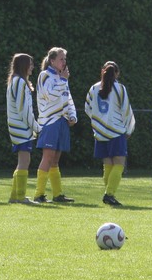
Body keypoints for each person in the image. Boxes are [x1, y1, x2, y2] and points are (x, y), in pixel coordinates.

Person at [84, 61, 135, 206]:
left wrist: (98, 121)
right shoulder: (120, 88)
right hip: (116, 131)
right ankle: (109, 194)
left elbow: (87, 108)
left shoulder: (94, 88)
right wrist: (129, 129)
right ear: (117, 73)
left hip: (100, 132)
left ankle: (109, 194)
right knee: (119, 164)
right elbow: (126, 110)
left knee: (107, 164)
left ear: (103, 71)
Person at [34, 46, 77, 203]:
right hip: (50, 122)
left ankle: (57, 194)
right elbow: (51, 96)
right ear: (52, 61)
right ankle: (39, 194)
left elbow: (68, 98)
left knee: (55, 160)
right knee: (48, 157)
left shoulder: (62, 77)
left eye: (65, 59)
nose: (64, 62)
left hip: (62, 122)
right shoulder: (45, 76)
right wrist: (63, 80)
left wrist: (72, 115)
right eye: (61, 59)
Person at [6, 52, 39, 204]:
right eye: (30, 64)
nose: (32, 67)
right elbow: (23, 109)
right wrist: (36, 127)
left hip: (19, 126)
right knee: (25, 160)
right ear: (23, 65)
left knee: (23, 160)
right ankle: (20, 197)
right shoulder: (19, 82)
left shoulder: (16, 81)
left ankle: (14, 197)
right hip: (21, 127)